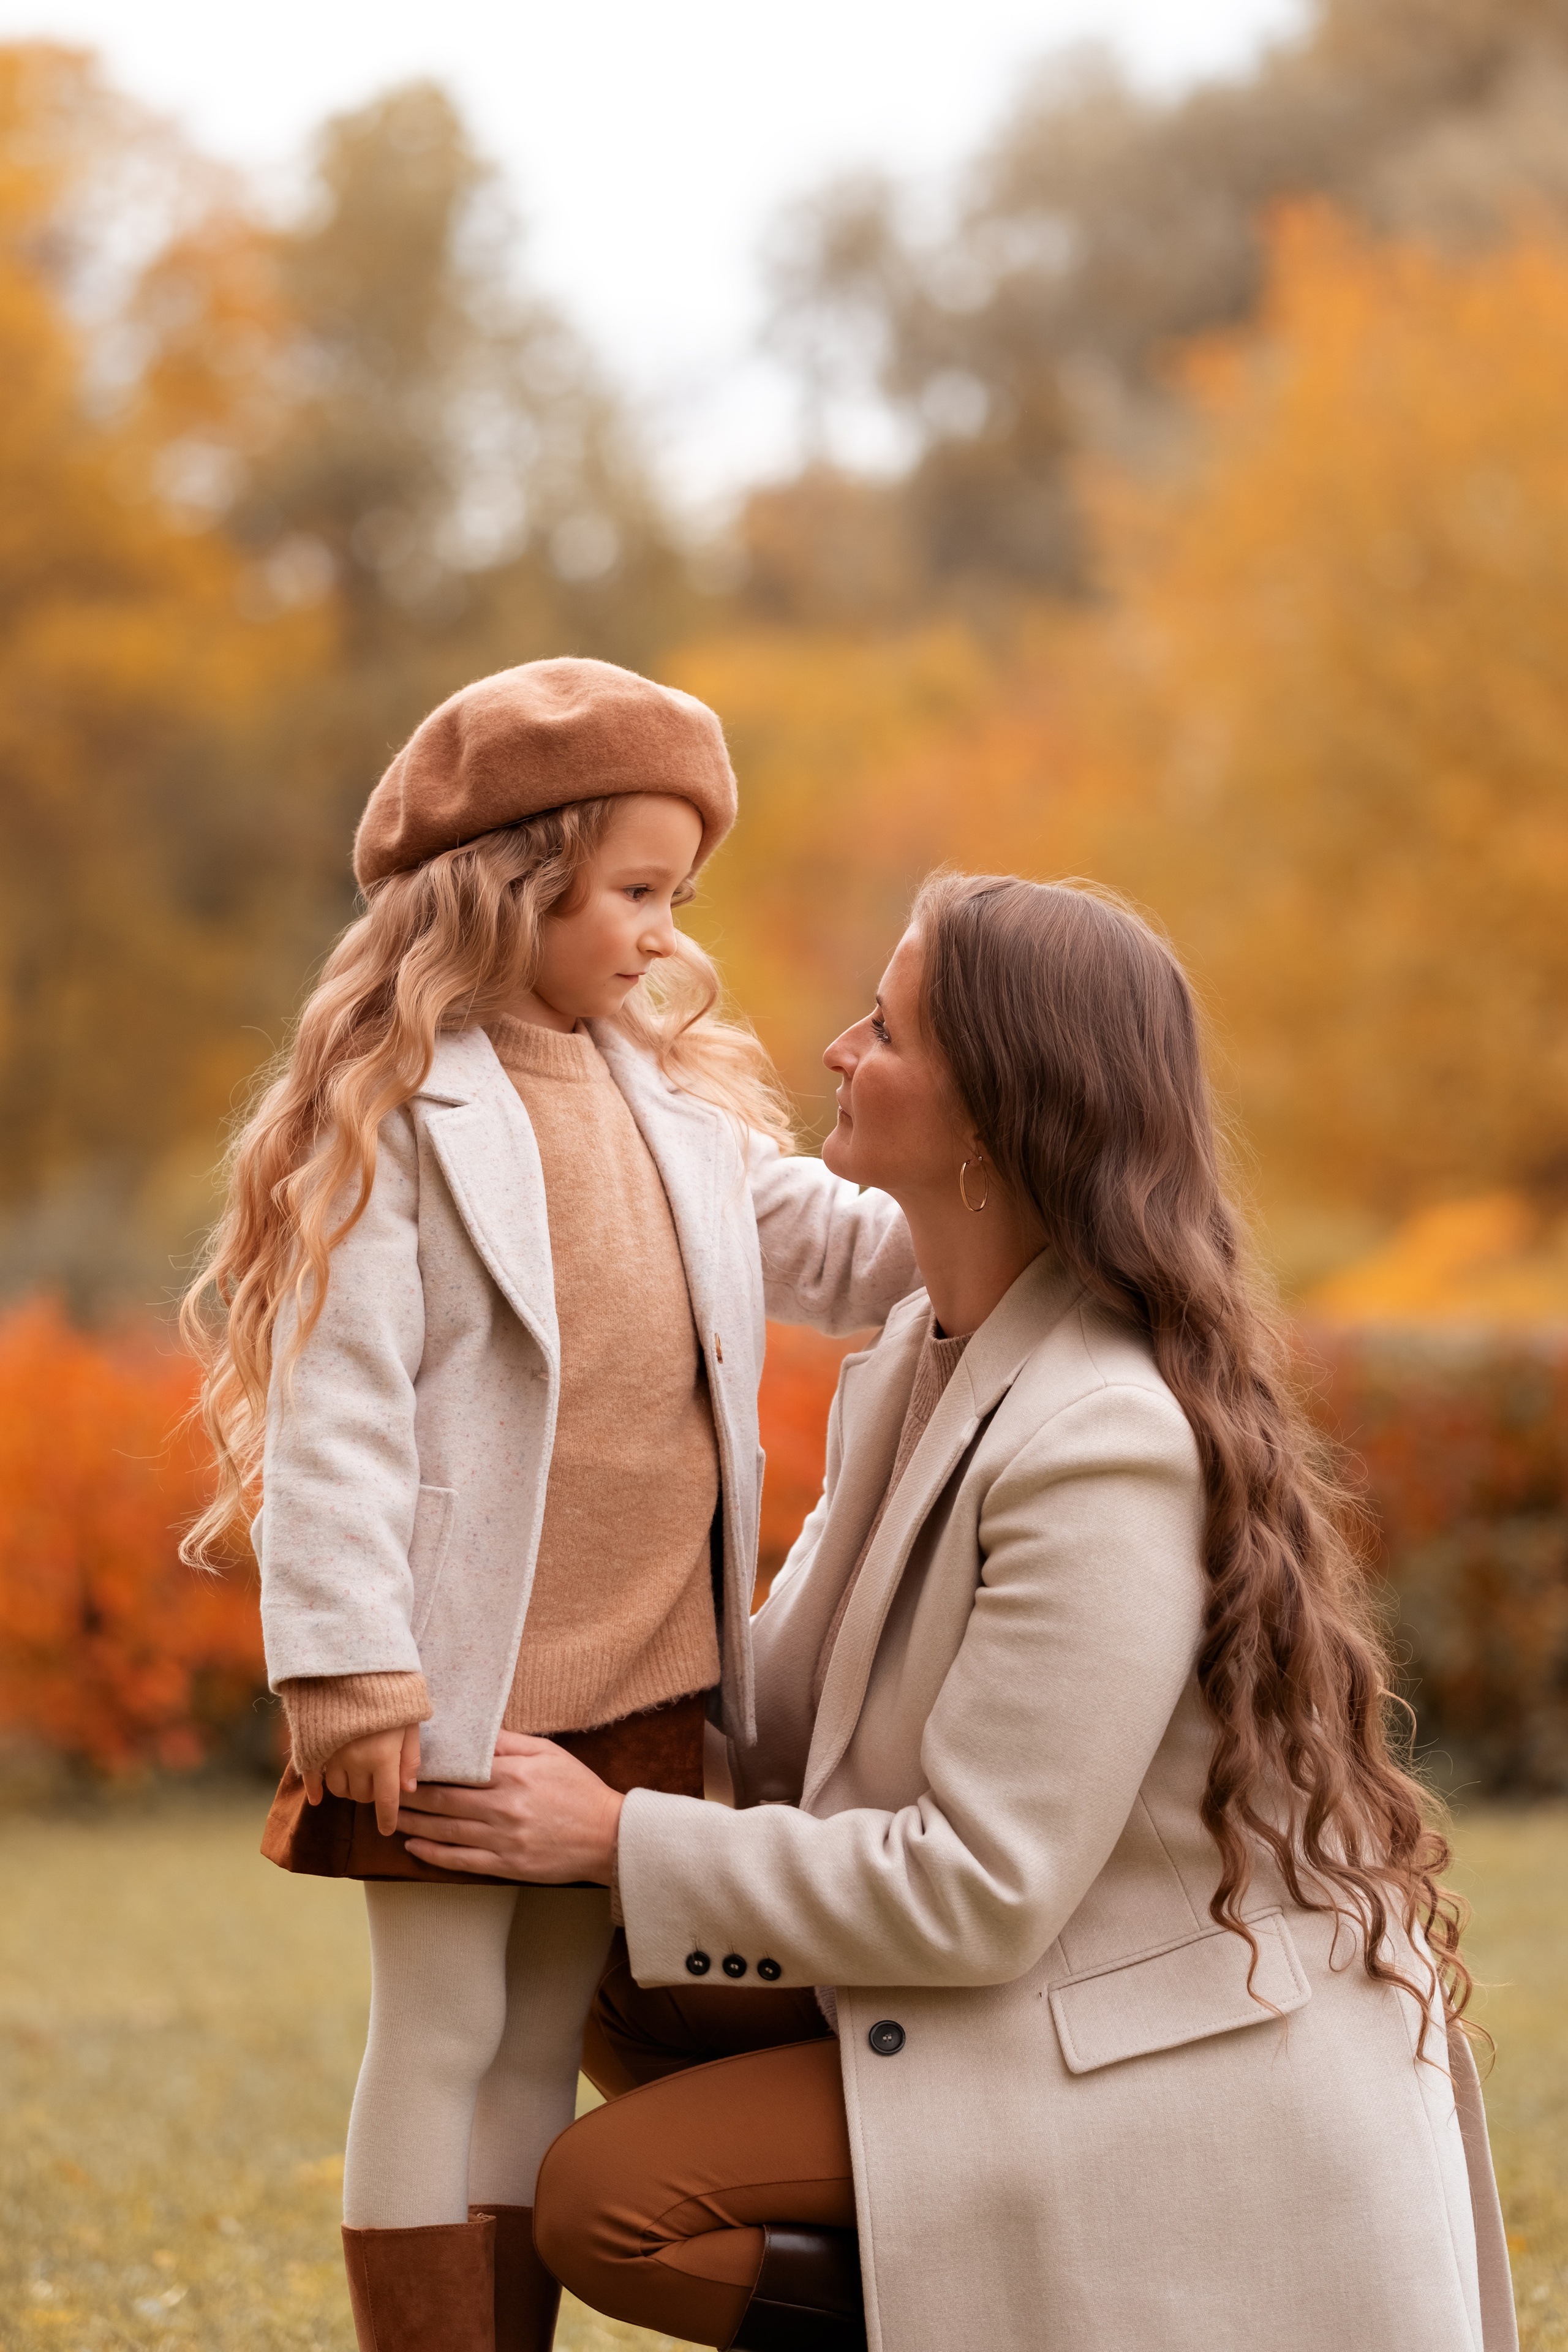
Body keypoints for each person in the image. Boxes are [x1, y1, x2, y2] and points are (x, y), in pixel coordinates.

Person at [398, 871, 1518, 2352]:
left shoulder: (1100, 1435)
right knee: (614, 1989)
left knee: (610, 2196)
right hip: (1035, 1983)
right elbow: (788, 1727)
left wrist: (609, 1837)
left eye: (886, 1029)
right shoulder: (928, 1358)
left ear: (993, 1111)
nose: (837, 1052)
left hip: (1161, 2054)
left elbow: (980, 1887)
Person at [179, 658, 916, 2352]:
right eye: (638, 892)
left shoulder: (671, 1103)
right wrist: (349, 1665)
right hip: (456, 1682)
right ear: (515, 882)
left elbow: (835, 1247)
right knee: (437, 2033)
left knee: (531, 2037)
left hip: (640, 1677)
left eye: (680, 897)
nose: (663, 933)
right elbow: (339, 1405)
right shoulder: (396, 1111)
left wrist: (1015, 1207)